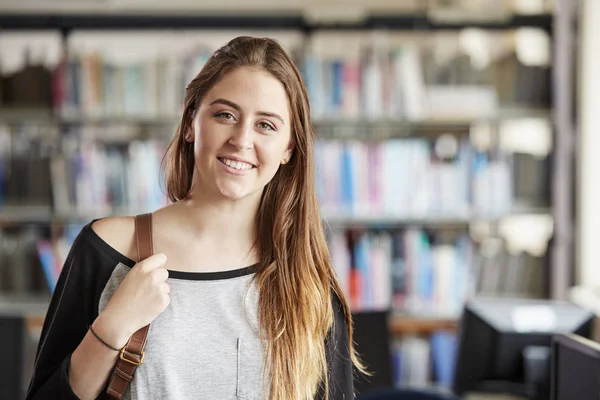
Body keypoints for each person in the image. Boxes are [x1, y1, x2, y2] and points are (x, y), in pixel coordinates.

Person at [25, 36, 365, 400]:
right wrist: (112, 327)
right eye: (225, 115)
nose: (241, 139)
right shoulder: (107, 248)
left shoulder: (307, 283)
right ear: (190, 123)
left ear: (288, 149)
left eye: (266, 125)